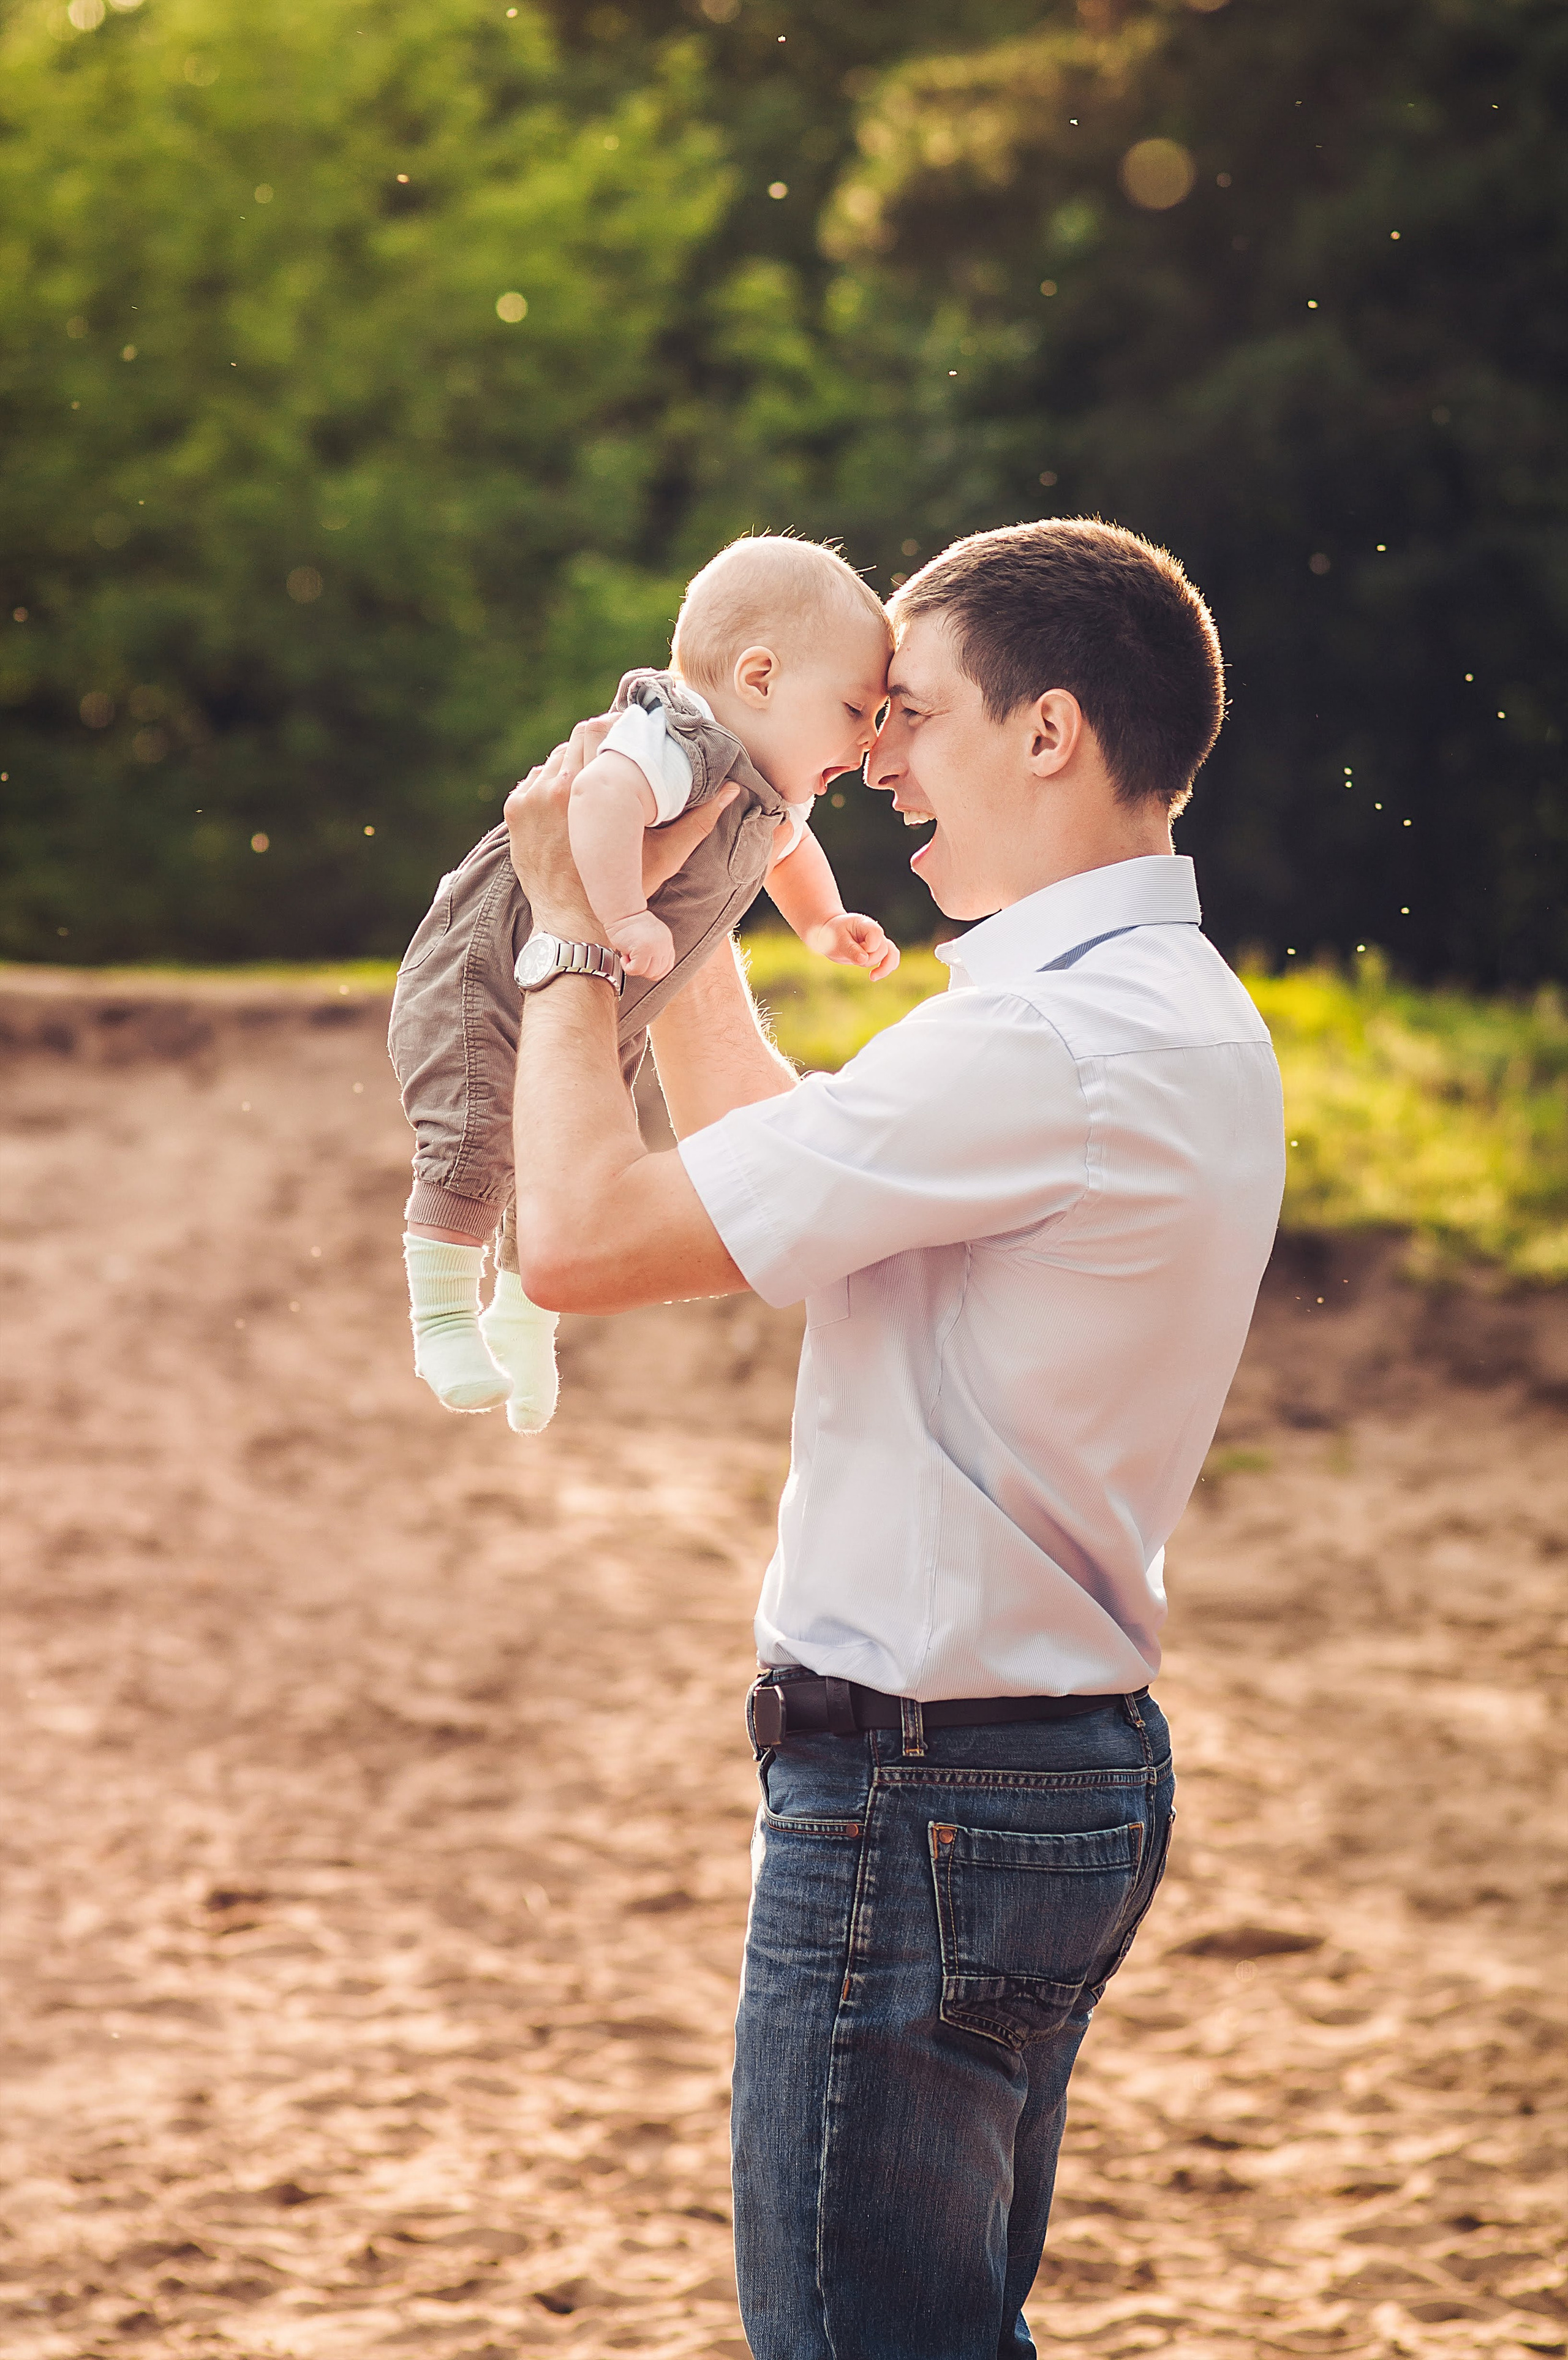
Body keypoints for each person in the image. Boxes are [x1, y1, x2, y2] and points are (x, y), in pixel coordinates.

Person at [500, 518, 1286, 2359]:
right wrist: (690, 913)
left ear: (1048, 732)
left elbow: (582, 1236)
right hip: (1041, 1777)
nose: (864, 758)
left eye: (904, 713)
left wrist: (567, 933)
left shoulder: (1045, 1049)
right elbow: (797, 1166)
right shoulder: (1154, 1012)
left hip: (925, 1798)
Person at [386, 535, 897, 1434]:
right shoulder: (680, 739)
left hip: (603, 992)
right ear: (760, 676)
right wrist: (621, 919)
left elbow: (788, 849)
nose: (870, 741)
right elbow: (601, 798)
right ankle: (439, 1319)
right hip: (488, 970)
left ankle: (522, 1320)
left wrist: (821, 921)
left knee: (557, 1151)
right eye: (857, 708)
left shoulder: (771, 787)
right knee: (472, 1137)